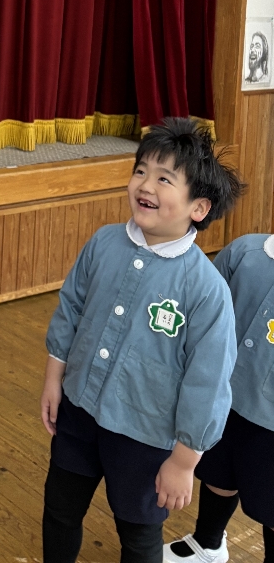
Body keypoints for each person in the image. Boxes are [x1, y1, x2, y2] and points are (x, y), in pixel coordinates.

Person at [39, 118, 243, 563]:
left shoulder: (207, 290)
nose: (145, 184)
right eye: (140, 170)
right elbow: (70, 309)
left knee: (138, 537)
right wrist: (55, 378)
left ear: (199, 208)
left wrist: (184, 461)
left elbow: (208, 383)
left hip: (145, 439)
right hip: (79, 414)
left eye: (164, 178)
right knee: (59, 511)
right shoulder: (104, 242)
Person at [164, 232, 274, 563]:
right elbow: (206, 310)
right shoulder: (245, 251)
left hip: (270, 420)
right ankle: (208, 542)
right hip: (223, 397)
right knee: (218, 471)